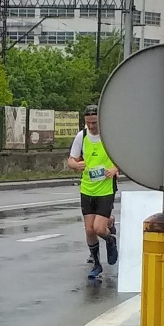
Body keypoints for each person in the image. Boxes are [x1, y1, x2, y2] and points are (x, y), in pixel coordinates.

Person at [68, 104, 119, 280]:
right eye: (88, 123)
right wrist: (75, 165)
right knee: (89, 230)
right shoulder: (81, 136)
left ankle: (110, 239)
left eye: (94, 123)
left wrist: (114, 168)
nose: (91, 127)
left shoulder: (109, 136)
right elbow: (71, 160)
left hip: (105, 188)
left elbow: (123, 158)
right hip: (87, 188)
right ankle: (97, 264)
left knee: (98, 228)